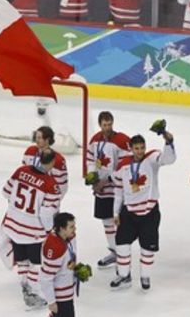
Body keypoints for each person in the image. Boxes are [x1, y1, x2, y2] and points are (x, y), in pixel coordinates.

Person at [110, 129, 176, 290]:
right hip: (129, 213)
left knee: (147, 248)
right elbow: (118, 191)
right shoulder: (122, 166)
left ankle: (145, 275)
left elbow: (169, 159)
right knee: (122, 245)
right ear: (131, 149)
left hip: (149, 213)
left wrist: (168, 141)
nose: (140, 151)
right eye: (136, 148)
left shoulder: (152, 159)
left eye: (142, 147)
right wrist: (116, 212)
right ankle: (124, 276)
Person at [0, 149, 61, 309]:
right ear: (52, 162)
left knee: (22, 260)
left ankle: (24, 286)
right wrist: (49, 231)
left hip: (13, 226)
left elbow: (5, 192)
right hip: (32, 231)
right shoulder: (51, 185)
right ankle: (33, 292)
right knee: (36, 263)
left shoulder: (21, 171)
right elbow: (46, 214)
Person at [85, 111, 131, 269]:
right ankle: (114, 252)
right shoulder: (94, 140)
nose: (107, 127)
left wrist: (106, 181)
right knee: (106, 220)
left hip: (118, 188)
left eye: (110, 124)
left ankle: (123, 252)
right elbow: (90, 160)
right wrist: (93, 178)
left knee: (119, 220)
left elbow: (125, 166)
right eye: (104, 125)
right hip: (102, 189)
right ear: (100, 125)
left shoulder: (122, 141)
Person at [39, 212, 83, 317]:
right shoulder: (54, 248)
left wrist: (76, 269)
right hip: (60, 298)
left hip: (66, 293)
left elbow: (67, 261)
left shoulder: (67, 237)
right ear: (62, 228)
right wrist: (51, 301)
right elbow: (45, 278)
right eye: (71, 227)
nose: (75, 229)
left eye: (74, 226)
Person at [23, 126, 69, 200]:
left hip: (45, 200)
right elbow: (23, 175)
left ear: (47, 140)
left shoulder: (58, 160)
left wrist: (51, 202)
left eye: (39, 138)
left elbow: (62, 187)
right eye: (36, 137)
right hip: (27, 198)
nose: (36, 140)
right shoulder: (30, 151)